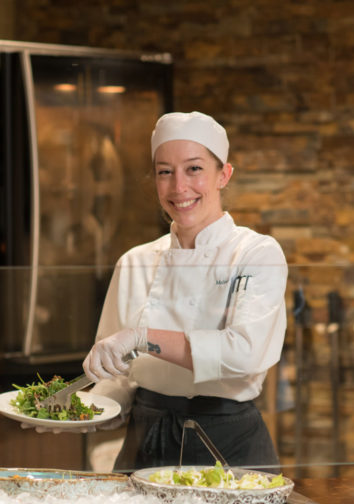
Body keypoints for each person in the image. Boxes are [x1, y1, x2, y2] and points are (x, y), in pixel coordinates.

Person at [82, 111, 288, 471]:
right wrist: (80, 413)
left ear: (223, 175)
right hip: (145, 442)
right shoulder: (135, 262)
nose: (179, 188)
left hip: (228, 445)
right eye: (165, 171)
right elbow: (118, 373)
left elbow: (244, 355)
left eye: (194, 169)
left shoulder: (256, 254)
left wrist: (141, 337)